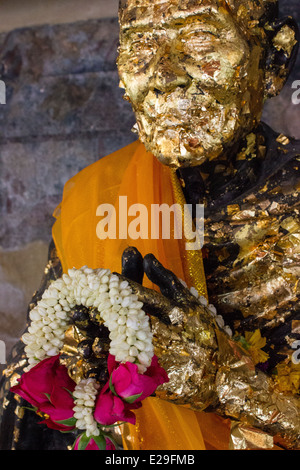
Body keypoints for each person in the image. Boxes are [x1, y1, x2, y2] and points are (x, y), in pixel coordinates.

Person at [0, 0, 299, 450]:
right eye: (141, 45)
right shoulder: (98, 198)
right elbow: (28, 405)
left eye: (200, 39)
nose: (164, 73)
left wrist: (225, 386)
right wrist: (78, 368)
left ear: (275, 58)